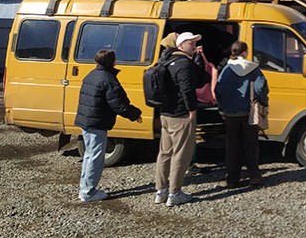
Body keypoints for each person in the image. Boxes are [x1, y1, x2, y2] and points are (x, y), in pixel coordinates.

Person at [74, 49, 142, 203]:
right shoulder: (108, 79)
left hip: (87, 121)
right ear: (111, 61)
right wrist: (135, 114)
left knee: (89, 155)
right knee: (95, 157)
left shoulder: (91, 74)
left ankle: (85, 188)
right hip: (97, 122)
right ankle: (88, 192)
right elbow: (119, 104)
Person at [154, 32, 210, 206]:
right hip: (180, 115)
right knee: (180, 155)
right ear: (180, 46)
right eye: (190, 42)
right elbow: (189, 88)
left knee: (165, 153)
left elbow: (200, 80)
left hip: (166, 113)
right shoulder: (184, 64)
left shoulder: (167, 61)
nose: (194, 45)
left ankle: (160, 191)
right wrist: (191, 109)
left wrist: (198, 58)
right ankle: (175, 193)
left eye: (194, 42)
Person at [214, 41, 269, 188]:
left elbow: (218, 90)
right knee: (250, 144)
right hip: (248, 112)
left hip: (230, 113)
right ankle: (254, 176)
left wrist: (222, 109)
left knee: (232, 146)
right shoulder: (253, 68)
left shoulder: (227, 69)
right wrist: (263, 102)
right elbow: (261, 87)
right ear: (244, 52)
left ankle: (232, 179)